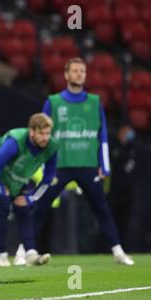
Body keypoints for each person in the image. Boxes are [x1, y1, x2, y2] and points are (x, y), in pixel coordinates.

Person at [34, 57, 134, 265]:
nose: (80, 74)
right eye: (75, 70)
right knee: (40, 205)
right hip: (59, 166)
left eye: (83, 71)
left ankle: (118, 252)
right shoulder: (53, 102)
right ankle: (23, 250)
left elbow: (102, 135)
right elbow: (41, 137)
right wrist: (43, 165)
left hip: (88, 166)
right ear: (66, 74)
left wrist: (104, 165)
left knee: (101, 209)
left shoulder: (94, 102)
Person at [0, 113, 57, 267]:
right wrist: (4, 187)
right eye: (41, 133)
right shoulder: (15, 142)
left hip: (18, 177)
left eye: (48, 133)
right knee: (3, 207)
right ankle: (2, 256)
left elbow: (48, 177)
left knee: (24, 209)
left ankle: (30, 253)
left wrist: (31, 198)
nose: (45, 138)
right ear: (31, 132)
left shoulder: (52, 146)